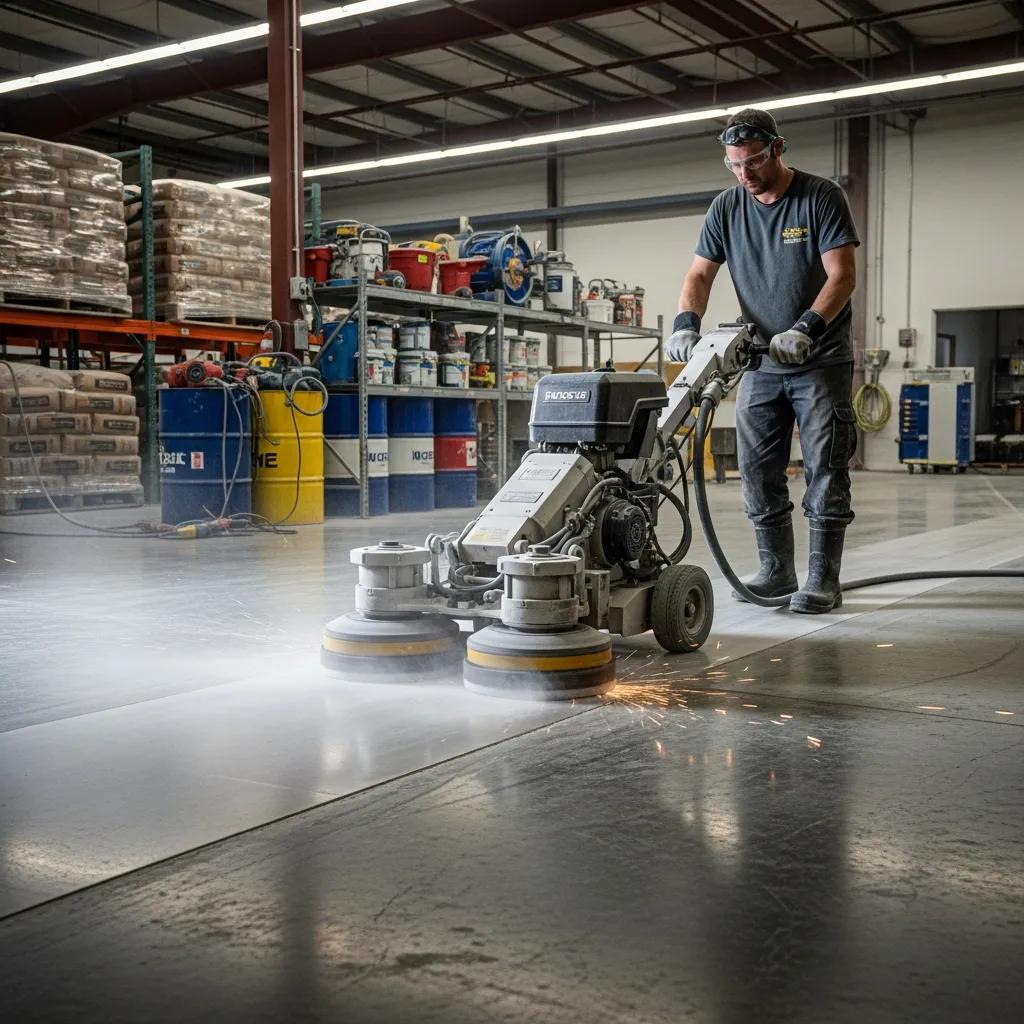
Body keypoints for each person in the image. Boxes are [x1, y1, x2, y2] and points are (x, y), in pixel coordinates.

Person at [668, 108, 859, 614]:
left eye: (752, 162)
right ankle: (776, 572)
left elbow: (841, 275)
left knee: (825, 465)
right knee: (756, 468)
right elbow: (700, 275)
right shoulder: (726, 207)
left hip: (820, 360)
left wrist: (806, 328)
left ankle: (823, 580)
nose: (745, 174)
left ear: (778, 148)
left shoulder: (821, 197)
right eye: (734, 165)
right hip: (760, 362)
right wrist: (686, 322)